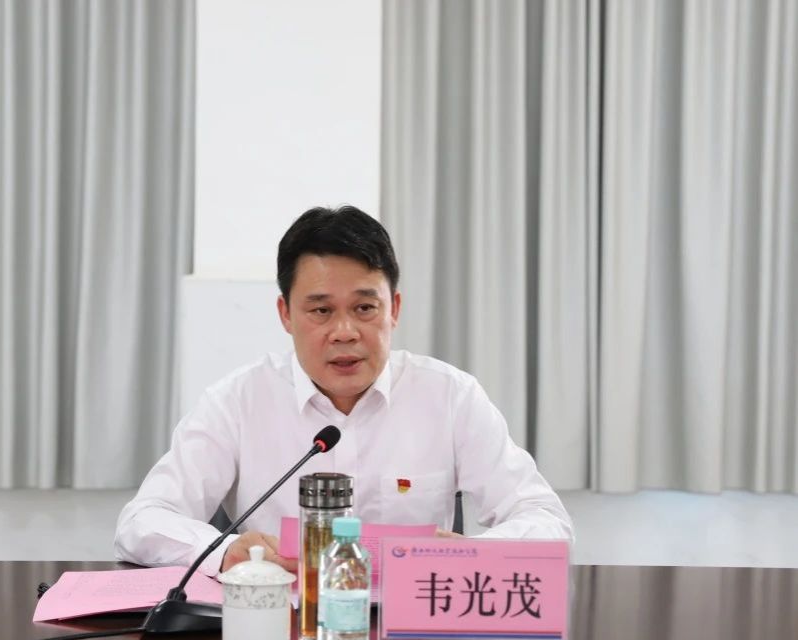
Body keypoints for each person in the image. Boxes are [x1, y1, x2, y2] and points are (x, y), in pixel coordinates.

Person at [114, 206, 573, 576]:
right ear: (286, 315)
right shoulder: (238, 401)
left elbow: (548, 522)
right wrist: (225, 551)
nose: (345, 332)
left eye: (364, 308)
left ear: (394, 309)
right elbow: (141, 522)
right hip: (281, 624)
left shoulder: (450, 396)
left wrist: (470, 554)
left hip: (412, 628)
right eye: (321, 311)